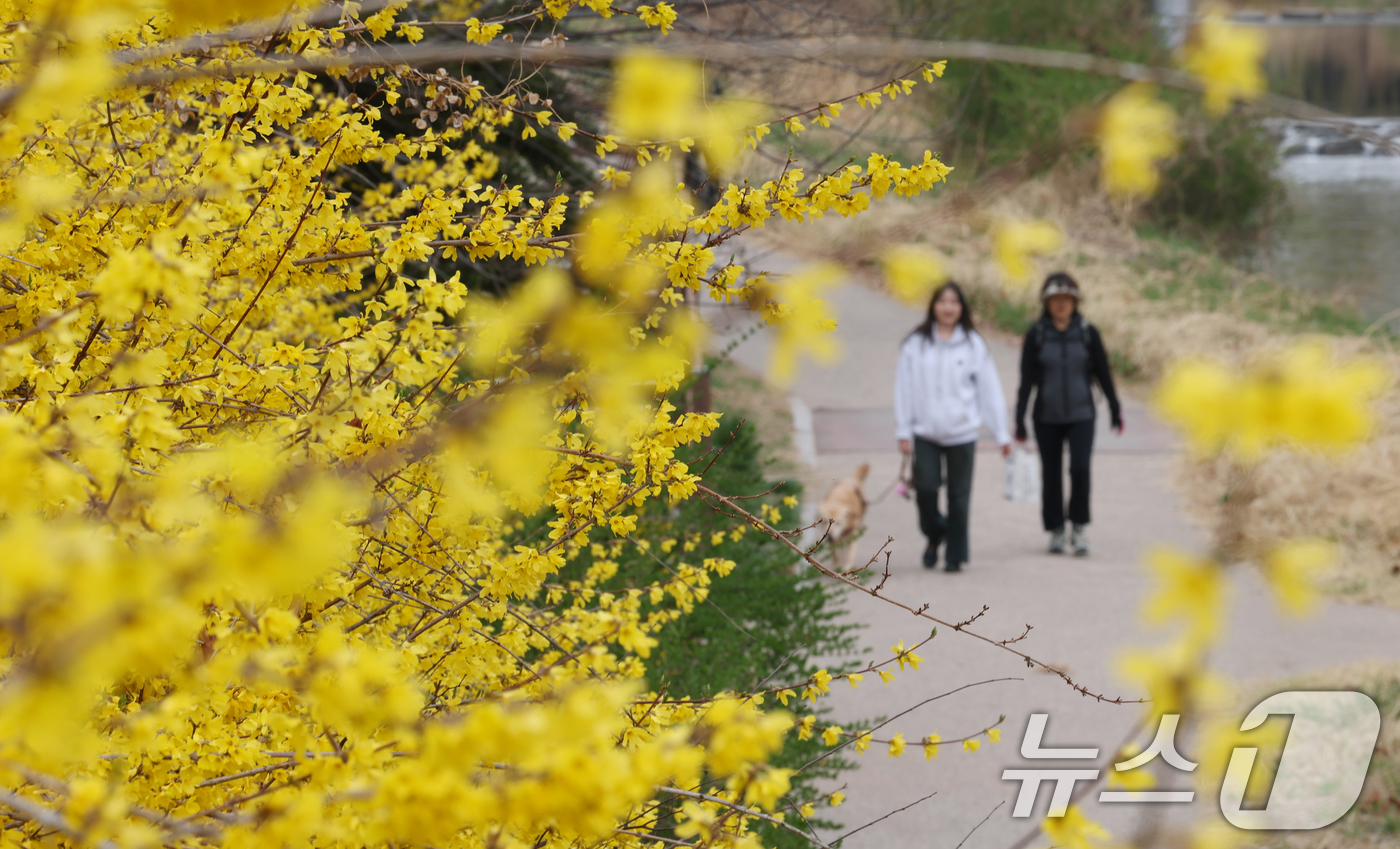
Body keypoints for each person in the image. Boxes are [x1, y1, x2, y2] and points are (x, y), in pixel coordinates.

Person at [895, 281, 1012, 573]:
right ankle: (936, 533)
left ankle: (955, 555)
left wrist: (1002, 434)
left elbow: (990, 391)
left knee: (959, 497)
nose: (948, 308)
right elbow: (903, 388)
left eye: (954, 302)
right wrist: (903, 430)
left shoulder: (974, 345)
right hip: (925, 432)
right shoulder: (916, 344)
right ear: (933, 305)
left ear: (962, 308)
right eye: (942, 301)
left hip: (962, 433)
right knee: (926, 489)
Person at [1013, 272, 1123, 557]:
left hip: (1082, 414)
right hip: (1046, 416)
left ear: (1076, 302)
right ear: (1046, 302)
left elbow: (1103, 372)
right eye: (1055, 299)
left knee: (1080, 468)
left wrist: (1115, 408)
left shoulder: (1087, 333)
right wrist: (1019, 419)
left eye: (1067, 299)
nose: (1061, 304)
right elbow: (1026, 380)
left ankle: (1079, 526)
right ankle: (1056, 529)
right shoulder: (1037, 335)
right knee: (1051, 474)